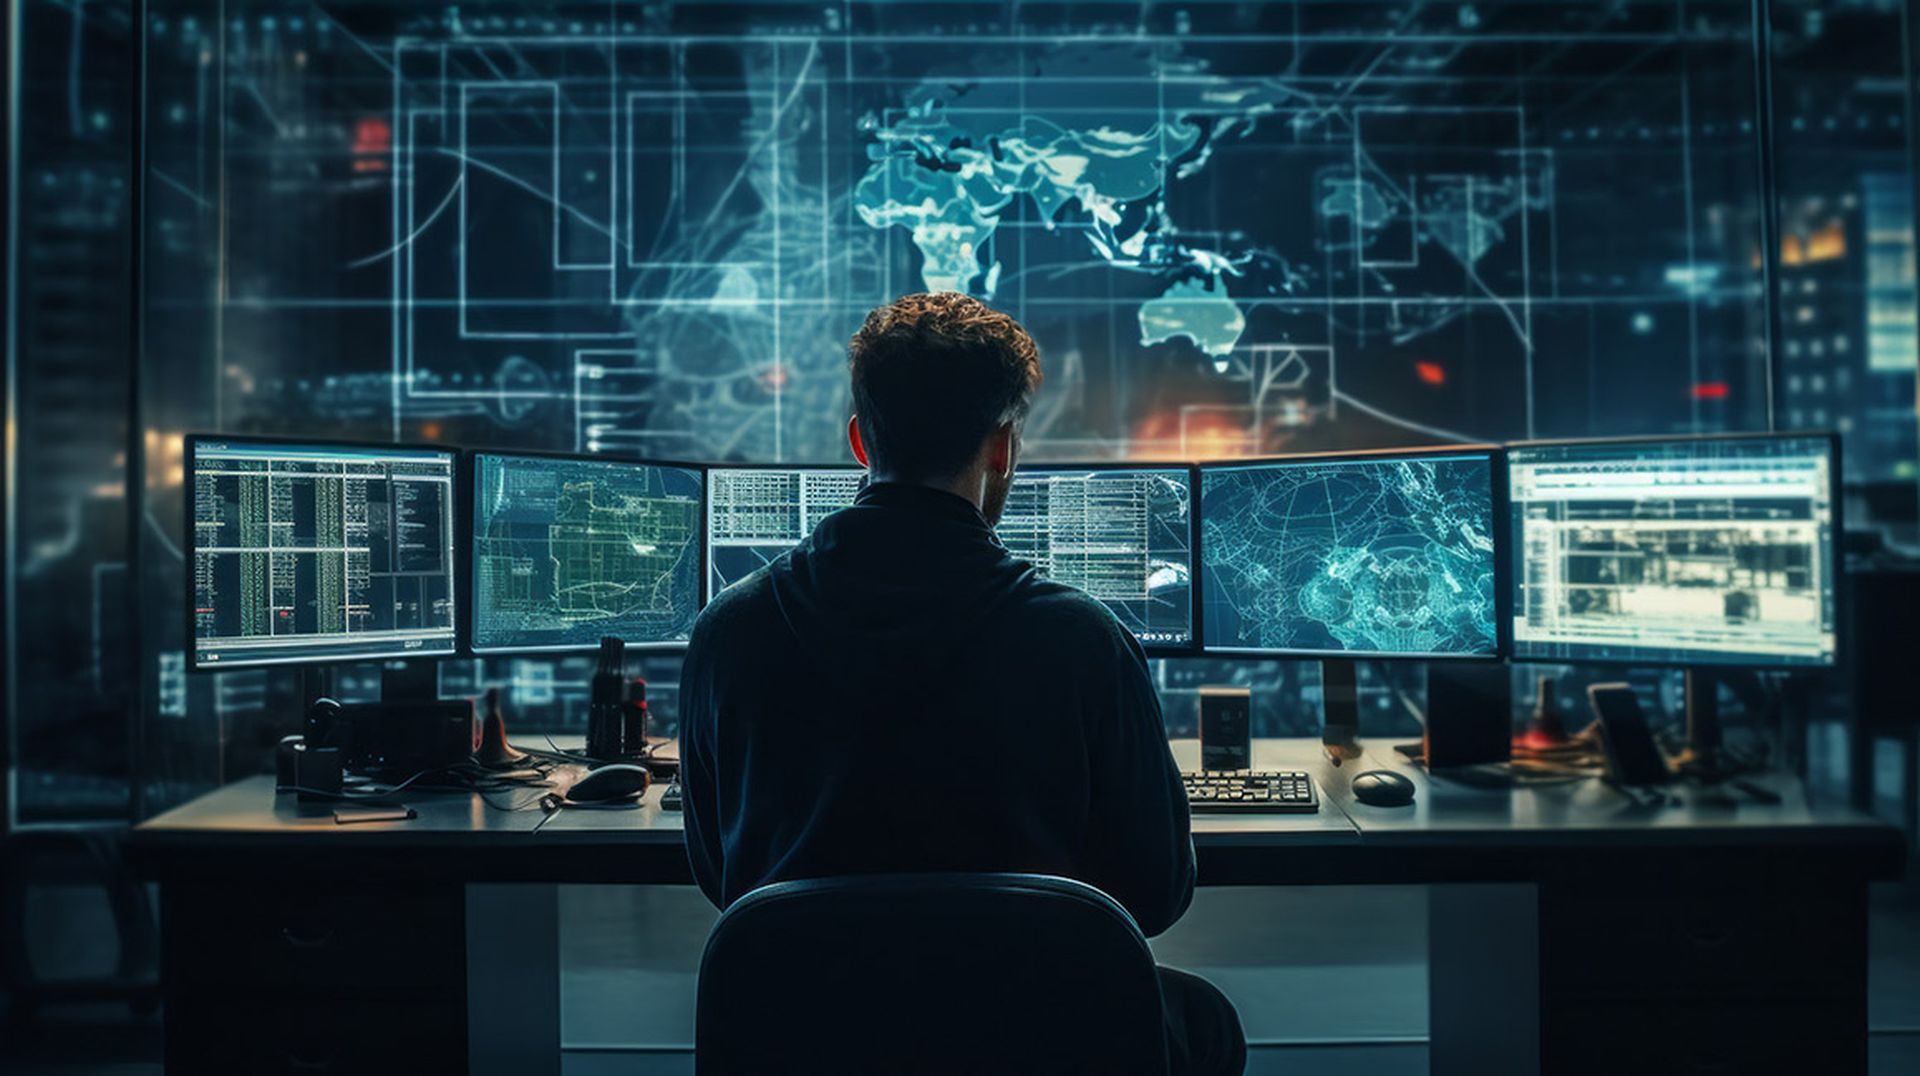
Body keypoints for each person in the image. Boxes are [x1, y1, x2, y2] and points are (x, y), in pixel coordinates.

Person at [679, 292, 1246, 1076]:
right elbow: (1153, 895)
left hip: (813, 1042)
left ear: (858, 442)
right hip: (1038, 1046)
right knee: (1202, 1021)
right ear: (1003, 449)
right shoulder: (1082, 639)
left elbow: (722, 877)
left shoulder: (728, 631)